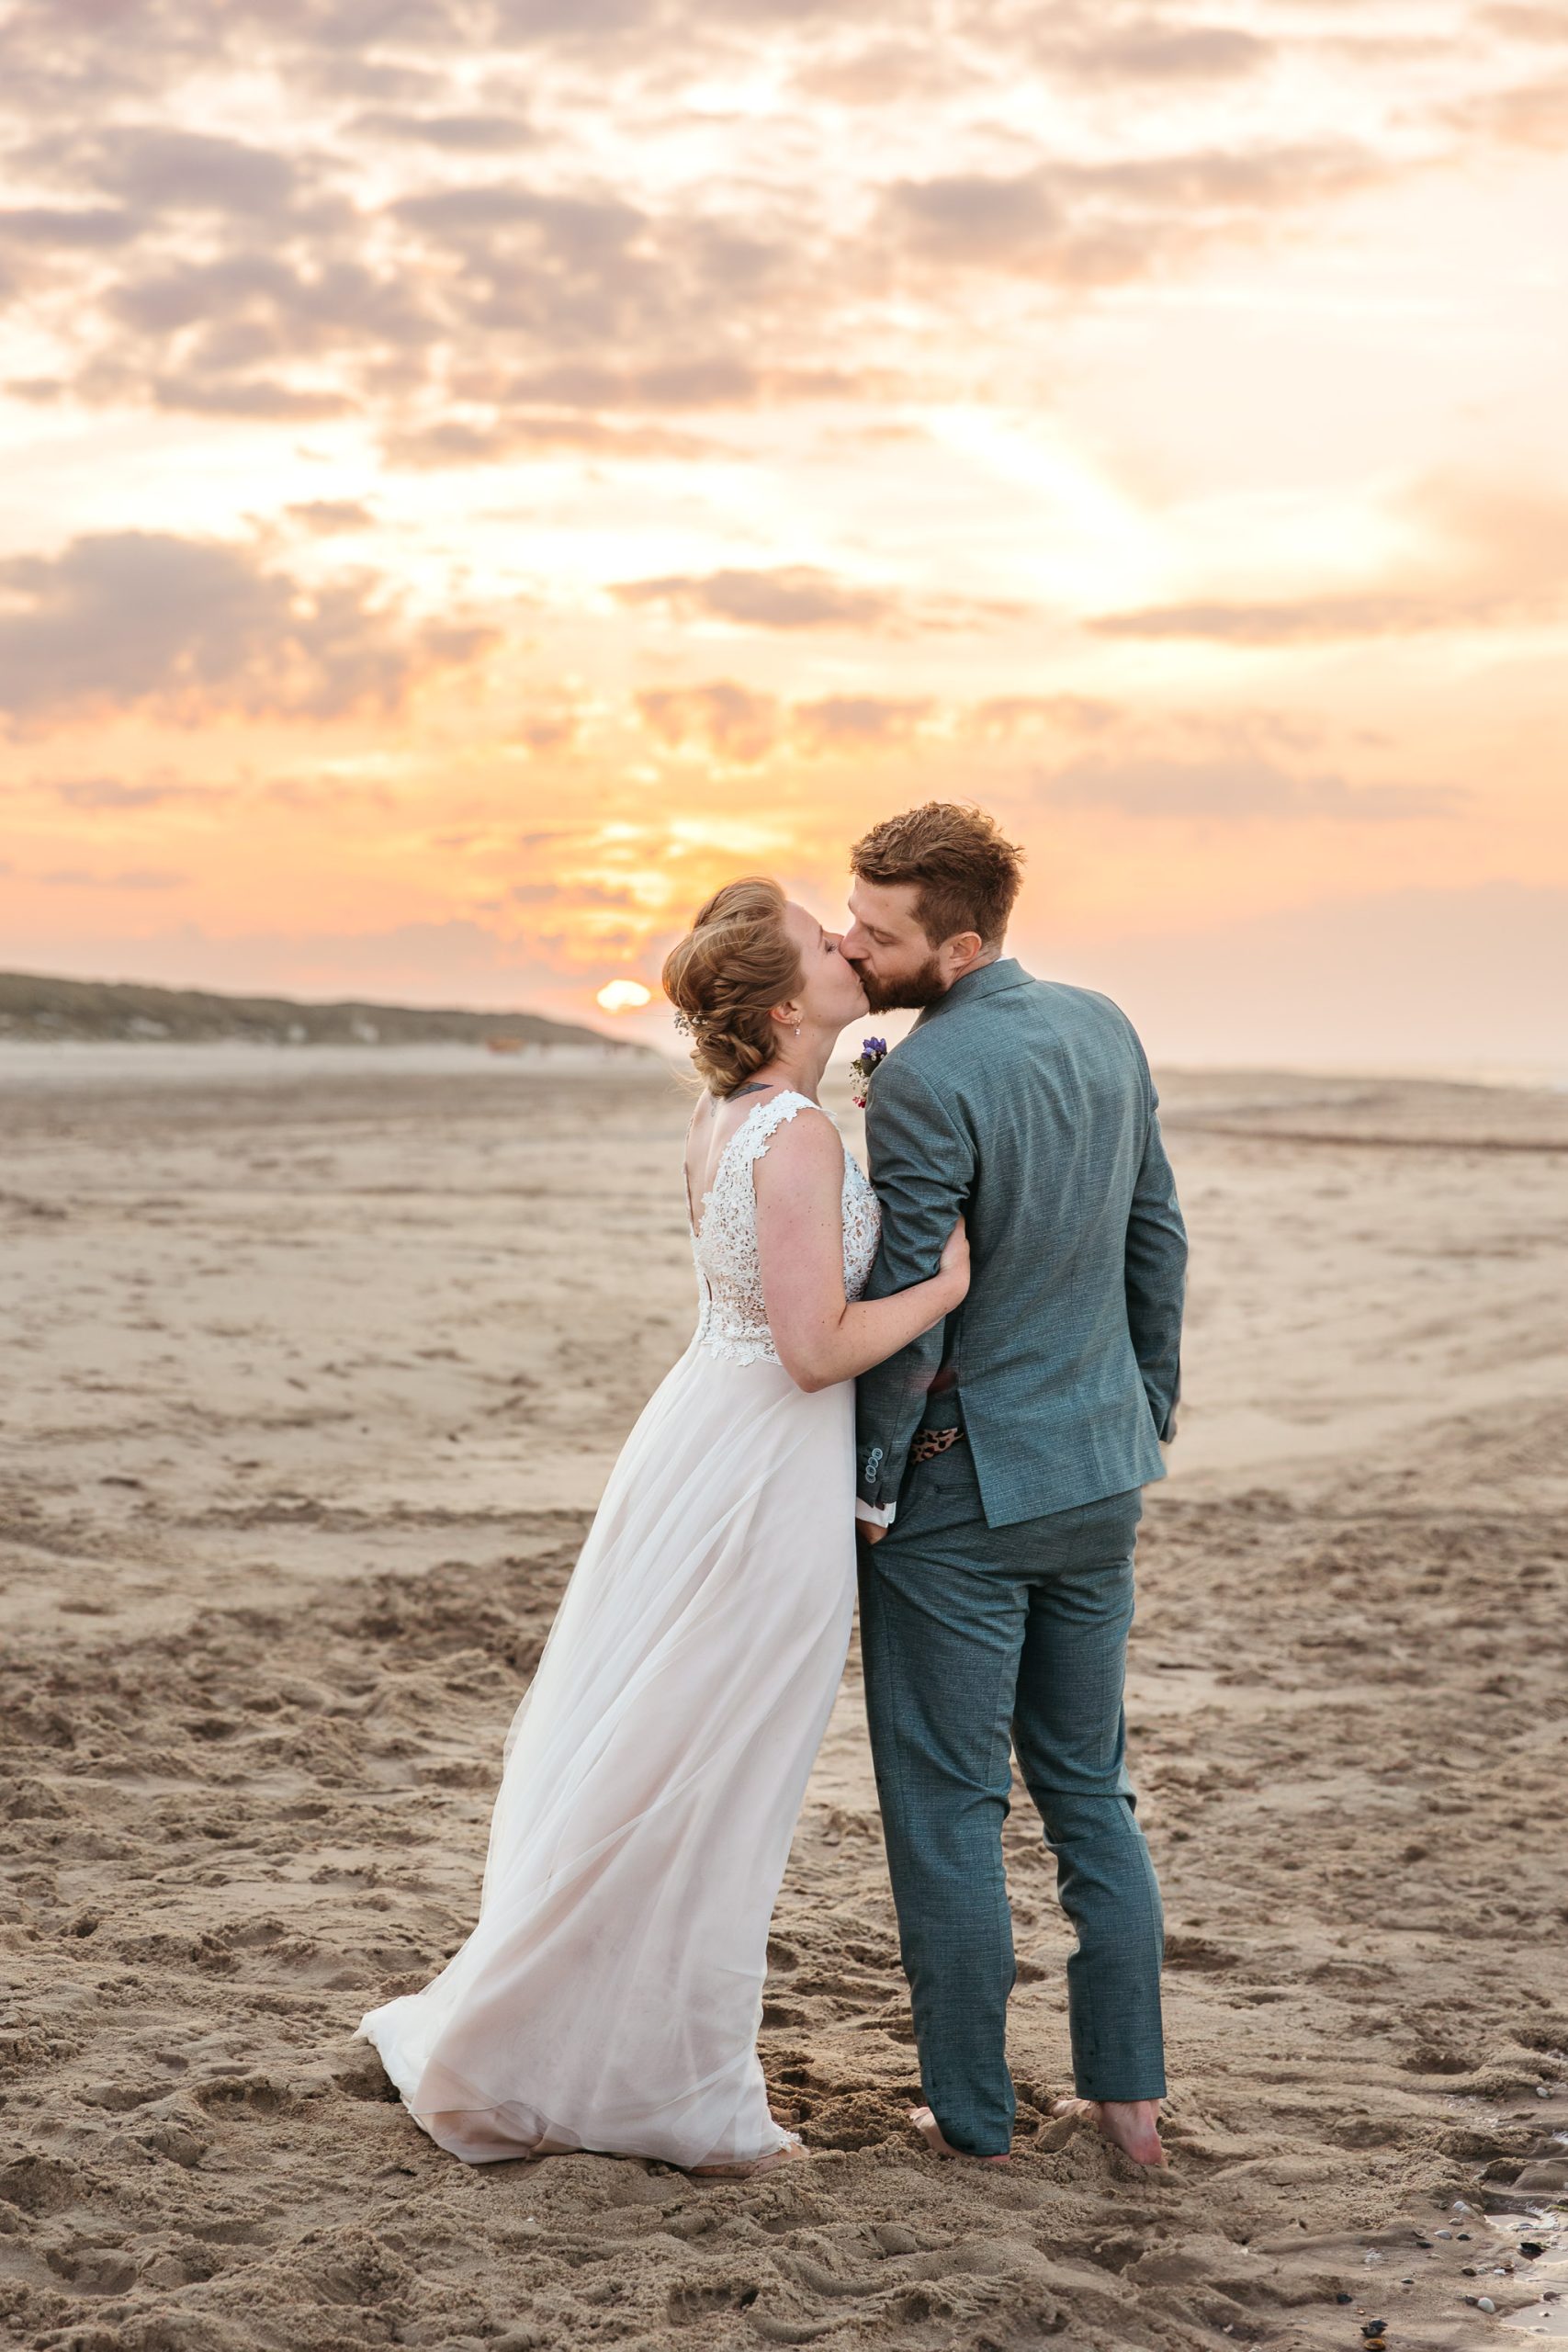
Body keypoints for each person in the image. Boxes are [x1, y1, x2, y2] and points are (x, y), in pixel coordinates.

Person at [354, 876, 967, 2178]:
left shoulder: (726, 1115)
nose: (849, 945)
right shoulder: (793, 1132)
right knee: (713, 1770)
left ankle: (586, 2034)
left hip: (704, 1437)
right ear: (789, 999)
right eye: (825, 939)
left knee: (664, 1745)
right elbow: (813, 1350)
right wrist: (945, 1285)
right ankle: (667, 2086)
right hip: (762, 1465)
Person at [841, 801, 1187, 2171]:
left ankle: (973, 2119)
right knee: (1091, 1791)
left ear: (962, 940)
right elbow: (1155, 1233)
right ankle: (1131, 2110)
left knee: (948, 1807)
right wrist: (1142, 1411)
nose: (856, 951)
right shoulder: (1104, 1023)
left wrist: (871, 1488)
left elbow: (910, 1305)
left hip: (961, 1502)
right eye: (853, 922)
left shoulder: (925, 1081)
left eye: (881, 935)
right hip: (1101, 1478)